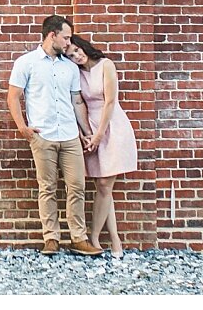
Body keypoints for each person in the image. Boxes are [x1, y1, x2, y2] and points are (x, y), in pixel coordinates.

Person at [6, 15, 103, 257]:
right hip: (43, 135)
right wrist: (23, 127)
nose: (69, 43)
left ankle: (78, 238)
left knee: (77, 187)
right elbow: (13, 97)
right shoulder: (26, 63)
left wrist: (85, 132)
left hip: (69, 135)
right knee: (47, 188)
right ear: (52, 35)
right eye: (66, 37)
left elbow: (76, 100)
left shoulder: (69, 67)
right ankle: (51, 238)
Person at [66, 33, 139, 257]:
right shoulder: (76, 74)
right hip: (91, 128)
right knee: (102, 187)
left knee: (106, 183)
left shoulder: (106, 65)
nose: (76, 56)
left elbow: (110, 101)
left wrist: (99, 135)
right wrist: (84, 133)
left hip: (112, 125)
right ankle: (114, 240)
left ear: (84, 47)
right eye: (70, 55)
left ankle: (96, 237)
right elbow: (76, 103)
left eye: (77, 51)